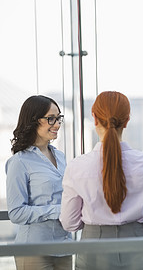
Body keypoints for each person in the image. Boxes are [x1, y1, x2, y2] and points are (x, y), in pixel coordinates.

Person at [59, 91, 143, 270]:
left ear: (94, 118)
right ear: (127, 120)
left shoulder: (77, 166)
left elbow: (69, 223)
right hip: (138, 244)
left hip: (93, 245)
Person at [6, 95, 72, 270]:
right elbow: (16, 212)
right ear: (33, 120)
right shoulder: (19, 162)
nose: (57, 124)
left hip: (65, 247)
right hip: (34, 250)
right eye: (51, 119)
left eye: (59, 118)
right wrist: (57, 210)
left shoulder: (60, 156)